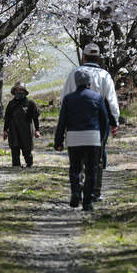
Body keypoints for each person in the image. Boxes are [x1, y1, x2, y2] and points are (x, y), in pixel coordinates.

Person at [62, 43, 121, 198]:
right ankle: (95, 190)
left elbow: (64, 99)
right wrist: (115, 122)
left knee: (77, 157)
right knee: (98, 156)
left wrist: (64, 121)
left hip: (75, 120)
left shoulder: (74, 73)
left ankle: (78, 187)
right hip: (98, 121)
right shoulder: (105, 75)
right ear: (99, 57)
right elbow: (112, 101)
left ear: (84, 57)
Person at [52, 68, 109, 211]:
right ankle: (88, 201)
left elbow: (62, 122)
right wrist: (102, 138)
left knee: (75, 168)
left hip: (74, 137)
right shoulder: (97, 98)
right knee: (91, 170)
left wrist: (58, 141)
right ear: (89, 82)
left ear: (76, 83)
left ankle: (76, 192)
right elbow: (104, 121)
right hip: (92, 137)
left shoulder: (68, 99)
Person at [1, 82, 40, 167]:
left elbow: (35, 118)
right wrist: (5, 130)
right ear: (14, 91)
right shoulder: (11, 104)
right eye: (18, 89)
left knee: (27, 149)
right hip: (13, 130)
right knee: (14, 149)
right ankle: (16, 167)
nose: (20, 91)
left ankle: (29, 165)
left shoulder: (30, 103)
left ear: (25, 91)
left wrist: (37, 130)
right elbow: (7, 118)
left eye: (22, 90)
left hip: (26, 130)